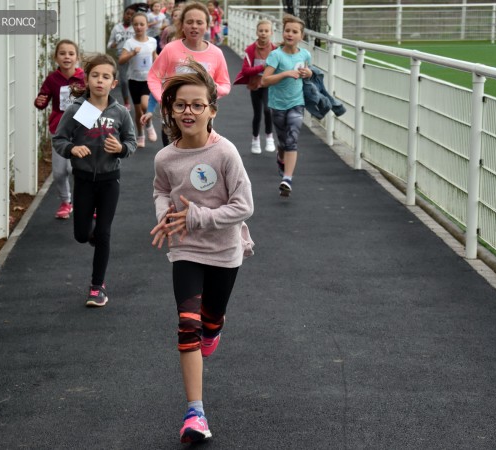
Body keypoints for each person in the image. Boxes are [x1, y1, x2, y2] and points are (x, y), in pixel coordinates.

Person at [150, 60, 254, 444]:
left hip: (225, 250)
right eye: (180, 105)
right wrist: (165, 215)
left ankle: (214, 328)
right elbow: (161, 190)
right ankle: (195, 413)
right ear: (170, 110)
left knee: (210, 322)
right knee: (187, 324)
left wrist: (197, 216)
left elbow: (244, 206)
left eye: (197, 105)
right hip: (185, 250)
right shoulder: (165, 157)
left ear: (212, 110)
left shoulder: (225, 153)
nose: (188, 112)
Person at [52, 54, 137, 307]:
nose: (100, 80)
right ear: (87, 80)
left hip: (110, 180)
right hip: (84, 179)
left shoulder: (120, 112)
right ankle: (91, 234)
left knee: (104, 233)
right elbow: (59, 139)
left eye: (106, 76)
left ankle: (97, 287)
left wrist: (120, 148)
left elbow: (131, 142)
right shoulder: (78, 110)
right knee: (81, 234)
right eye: (95, 75)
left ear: (113, 83)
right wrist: (72, 149)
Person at [147, 2, 231, 146]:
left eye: (199, 22)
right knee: (173, 154)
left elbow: (225, 85)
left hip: (201, 115)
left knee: (199, 155)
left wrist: (211, 89)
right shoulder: (170, 49)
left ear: (207, 25)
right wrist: (163, 99)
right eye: (190, 22)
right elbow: (153, 77)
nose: (194, 26)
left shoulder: (216, 53)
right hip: (174, 112)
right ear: (182, 25)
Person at [261, 14, 312, 197]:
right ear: (283, 33)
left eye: (294, 32)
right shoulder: (276, 55)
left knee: (292, 140)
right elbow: (265, 80)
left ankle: (287, 179)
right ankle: (280, 157)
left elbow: (308, 73)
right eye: (287, 31)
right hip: (278, 105)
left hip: (297, 103)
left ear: (301, 36)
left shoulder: (305, 55)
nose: (290, 34)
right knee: (283, 141)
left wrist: (308, 73)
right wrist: (285, 74)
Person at [35, 39, 85, 219]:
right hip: (59, 129)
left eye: (71, 54)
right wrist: (39, 101)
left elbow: (95, 99)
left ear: (77, 57)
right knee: (59, 172)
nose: (67, 57)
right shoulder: (52, 79)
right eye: (62, 53)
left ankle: (87, 202)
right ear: (56, 58)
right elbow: (43, 99)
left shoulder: (84, 78)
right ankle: (65, 202)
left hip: (80, 130)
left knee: (75, 169)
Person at [234, 19, 276, 155]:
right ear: (257, 32)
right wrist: (262, 67)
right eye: (261, 31)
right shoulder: (251, 49)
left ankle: (269, 136)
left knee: (268, 110)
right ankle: (255, 139)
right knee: (257, 114)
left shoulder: (275, 50)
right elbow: (246, 70)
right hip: (255, 85)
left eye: (266, 31)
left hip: (269, 84)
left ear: (271, 33)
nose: (263, 33)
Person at [119, 12, 159, 148]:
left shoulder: (152, 41)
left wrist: (161, 62)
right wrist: (132, 53)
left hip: (148, 79)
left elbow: (155, 56)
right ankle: (141, 135)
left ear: (147, 25)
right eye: (136, 24)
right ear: (132, 26)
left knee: (145, 105)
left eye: (142, 24)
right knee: (137, 111)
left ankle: (149, 124)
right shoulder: (130, 43)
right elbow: (121, 60)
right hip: (134, 80)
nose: (139, 27)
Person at [108, 5, 137, 110]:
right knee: (124, 81)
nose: (129, 16)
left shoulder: (135, 28)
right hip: (122, 58)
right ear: (123, 14)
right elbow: (109, 44)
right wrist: (114, 44)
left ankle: (138, 101)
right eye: (127, 14)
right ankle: (126, 102)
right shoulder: (117, 28)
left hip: (134, 57)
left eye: (132, 15)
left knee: (134, 80)